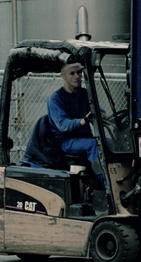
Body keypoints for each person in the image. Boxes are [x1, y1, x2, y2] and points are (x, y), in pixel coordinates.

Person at [23, 59, 129, 214]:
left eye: (79, 72)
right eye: (72, 73)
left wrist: (102, 114)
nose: (77, 76)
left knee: (110, 143)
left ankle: (122, 180)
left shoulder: (84, 93)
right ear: (63, 76)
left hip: (84, 138)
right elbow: (62, 125)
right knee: (95, 145)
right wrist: (83, 120)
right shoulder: (57, 98)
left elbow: (98, 109)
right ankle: (110, 189)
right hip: (66, 141)